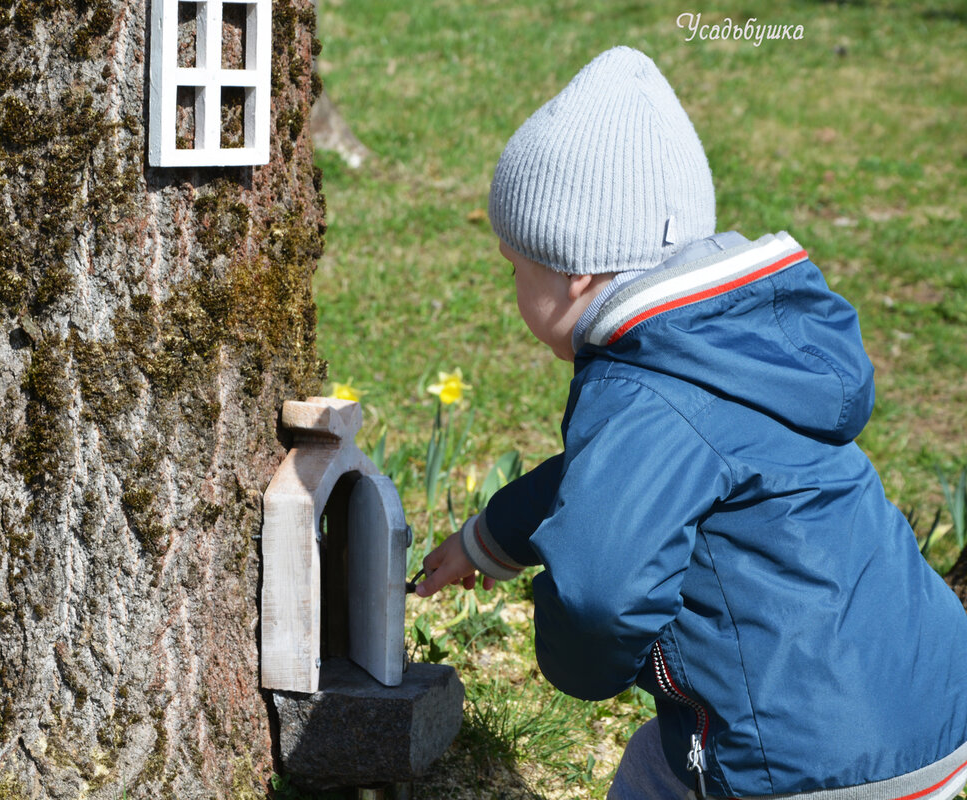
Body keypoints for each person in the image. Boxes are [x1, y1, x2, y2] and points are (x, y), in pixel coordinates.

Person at [414, 45, 967, 799]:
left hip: (795, 760)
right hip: (916, 703)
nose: (511, 283)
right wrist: (495, 536)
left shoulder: (645, 389)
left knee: (665, 770)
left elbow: (600, 593)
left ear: (577, 268)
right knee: (654, 762)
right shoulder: (731, 347)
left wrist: (573, 663)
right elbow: (617, 479)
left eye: (514, 264)